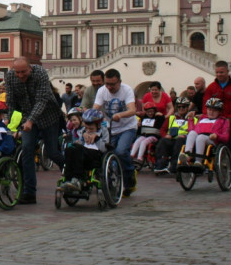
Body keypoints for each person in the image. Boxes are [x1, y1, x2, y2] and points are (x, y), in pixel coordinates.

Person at [5, 58, 64, 204]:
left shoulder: (40, 73)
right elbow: (11, 102)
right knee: (26, 149)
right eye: (17, 72)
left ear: (30, 68)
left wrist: (31, 121)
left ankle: (70, 170)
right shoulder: (11, 77)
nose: (20, 75)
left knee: (52, 152)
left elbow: (42, 100)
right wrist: (9, 121)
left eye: (23, 72)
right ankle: (29, 192)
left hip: (48, 116)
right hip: (27, 117)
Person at [94, 68, 139, 196]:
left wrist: (120, 115)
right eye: (107, 83)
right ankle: (112, 179)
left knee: (120, 151)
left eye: (112, 84)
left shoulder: (127, 90)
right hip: (110, 128)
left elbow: (132, 110)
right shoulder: (102, 91)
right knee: (107, 153)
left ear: (119, 82)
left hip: (127, 127)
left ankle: (130, 175)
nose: (109, 87)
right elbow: (96, 107)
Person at [60, 108, 110, 194]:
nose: (88, 130)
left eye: (91, 129)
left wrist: (96, 138)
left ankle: (77, 179)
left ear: (98, 125)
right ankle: (68, 179)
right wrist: (81, 139)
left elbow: (104, 148)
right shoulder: (83, 131)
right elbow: (80, 144)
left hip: (96, 156)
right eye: (87, 128)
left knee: (78, 149)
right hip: (83, 155)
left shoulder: (103, 131)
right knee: (70, 148)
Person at [180, 97, 230, 166]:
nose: (211, 112)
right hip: (199, 137)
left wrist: (216, 136)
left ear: (219, 111)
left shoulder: (223, 121)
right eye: (209, 109)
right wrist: (191, 120)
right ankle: (188, 154)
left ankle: (198, 161)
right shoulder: (202, 118)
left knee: (201, 137)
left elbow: (226, 137)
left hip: (212, 140)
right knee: (192, 133)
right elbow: (193, 130)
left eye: (214, 110)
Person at [203, 61, 231, 133]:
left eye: (221, 72)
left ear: (227, 71)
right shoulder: (211, 87)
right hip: (214, 122)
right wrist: (208, 116)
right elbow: (205, 104)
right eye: (217, 72)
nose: (219, 74)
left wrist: (230, 118)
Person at [153, 97, 193, 174]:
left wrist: (185, 136)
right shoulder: (171, 118)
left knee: (179, 141)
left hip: (184, 139)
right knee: (163, 141)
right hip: (171, 138)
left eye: (184, 106)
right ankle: (161, 165)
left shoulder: (192, 118)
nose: (181, 108)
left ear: (188, 107)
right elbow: (163, 129)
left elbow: (194, 131)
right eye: (179, 106)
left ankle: (174, 165)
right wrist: (166, 135)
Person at [131, 102, 165, 168]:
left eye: (152, 111)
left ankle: (140, 158)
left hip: (154, 137)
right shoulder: (144, 118)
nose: (150, 113)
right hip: (144, 135)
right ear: (146, 112)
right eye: (148, 112)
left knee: (144, 142)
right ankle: (132, 155)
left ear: (154, 111)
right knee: (138, 141)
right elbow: (140, 131)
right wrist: (139, 126)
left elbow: (162, 122)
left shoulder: (157, 118)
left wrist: (161, 116)